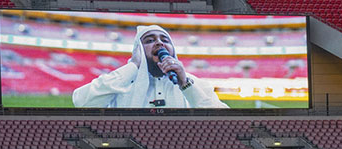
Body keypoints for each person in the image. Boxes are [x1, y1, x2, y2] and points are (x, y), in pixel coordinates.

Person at [72, 24, 229, 109]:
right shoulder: (122, 82)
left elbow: (223, 120)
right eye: (149, 40)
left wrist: (186, 85)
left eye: (165, 40)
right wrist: (133, 66)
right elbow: (83, 103)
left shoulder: (193, 82)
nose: (159, 43)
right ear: (138, 50)